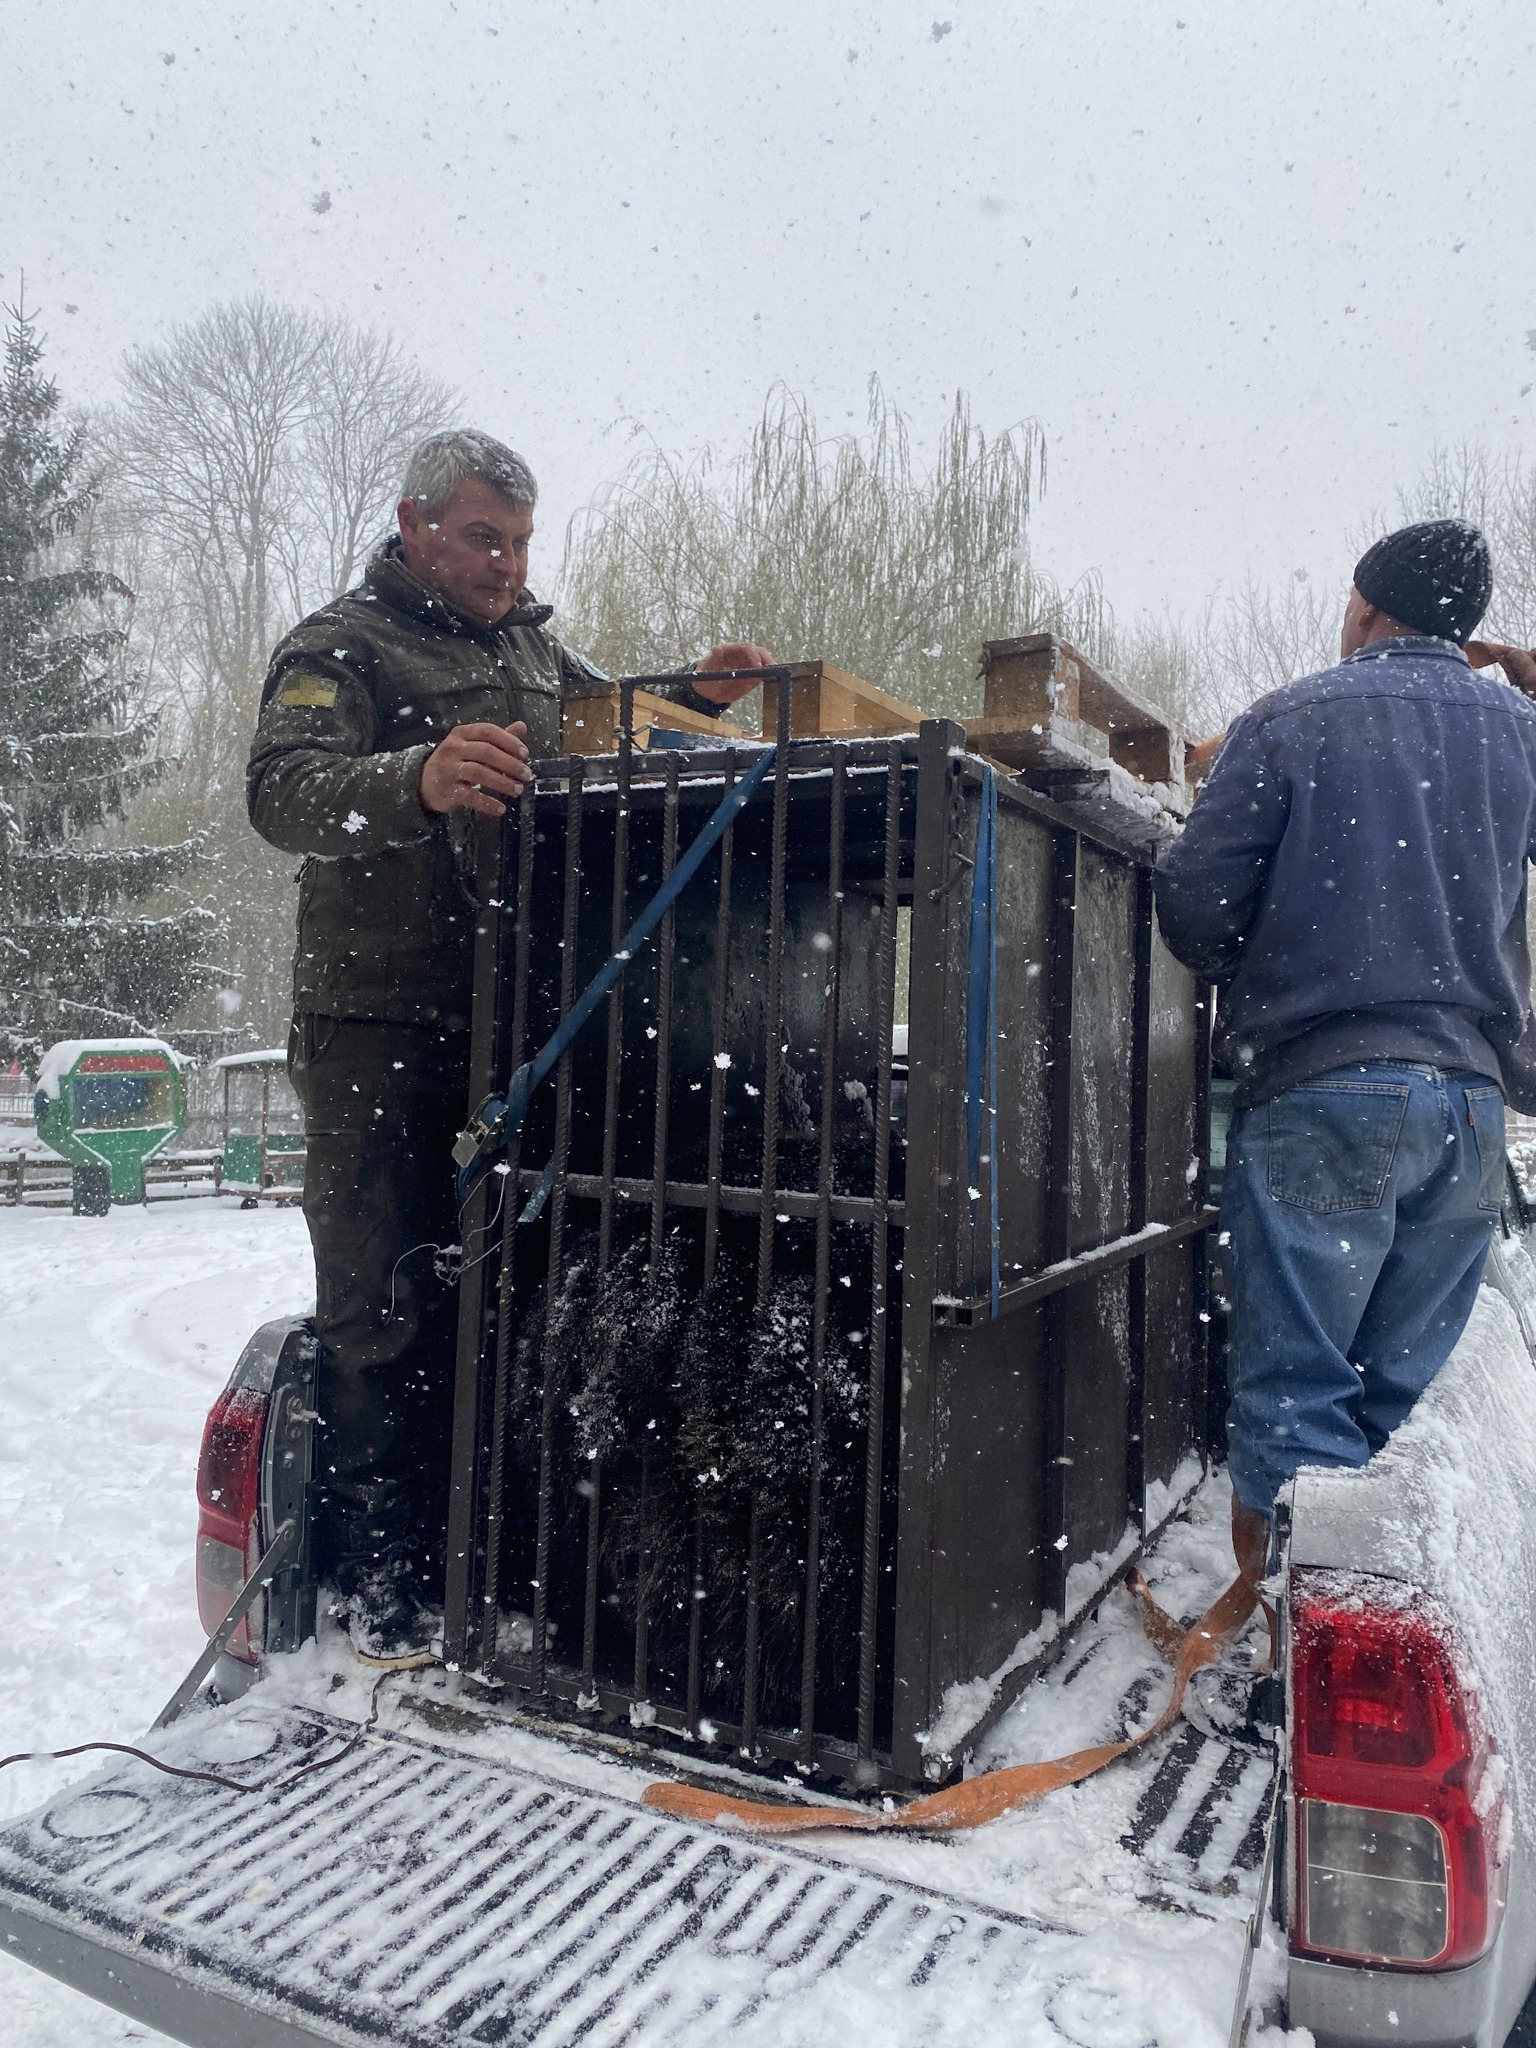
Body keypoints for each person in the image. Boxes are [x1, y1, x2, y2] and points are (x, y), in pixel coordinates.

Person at [247, 429, 770, 1658]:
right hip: (383, 1024)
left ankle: (497, 1560)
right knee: (386, 1306)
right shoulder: (342, 644)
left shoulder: (532, 647)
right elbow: (280, 792)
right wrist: (416, 775)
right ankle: (381, 1589)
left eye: (523, 539)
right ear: (415, 523)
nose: (506, 561)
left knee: (513, 1298)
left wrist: (691, 702)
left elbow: (599, 729)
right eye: (485, 536)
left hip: (521, 1030)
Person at [1154, 519, 1536, 1587]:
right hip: (1468, 1106)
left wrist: (1265, 947)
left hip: (1323, 1093)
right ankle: (1366, 1644)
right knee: (1394, 1401)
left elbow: (1189, 902)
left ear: (1365, 605)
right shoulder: (1515, 730)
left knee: (1295, 1394)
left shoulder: (1287, 720)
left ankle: (1290, 1656)